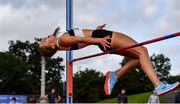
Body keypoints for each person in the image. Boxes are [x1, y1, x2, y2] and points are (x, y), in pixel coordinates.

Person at [39, 24, 179, 96]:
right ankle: (158, 86)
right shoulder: (62, 40)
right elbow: (81, 38)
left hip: (100, 39)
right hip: (103, 38)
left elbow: (81, 39)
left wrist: (95, 32)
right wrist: (98, 38)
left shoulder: (62, 45)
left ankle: (115, 75)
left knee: (141, 57)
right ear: (50, 47)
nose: (45, 38)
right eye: (44, 42)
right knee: (142, 51)